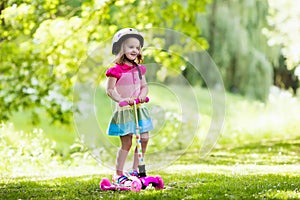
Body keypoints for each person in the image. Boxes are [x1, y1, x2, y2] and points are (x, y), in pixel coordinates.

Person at [105, 28, 153, 186]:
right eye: (131, 47)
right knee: (127, 142)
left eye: (137, 47)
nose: (135, 50)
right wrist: (121, 99)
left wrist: (141, 95)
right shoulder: (115, 69)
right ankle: (118, 173)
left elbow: (144, 86)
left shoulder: (139, 68)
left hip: (139, 109)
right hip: (125, 110)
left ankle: (136, 169)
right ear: (121, 49)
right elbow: (110, 90)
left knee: (144, 138)